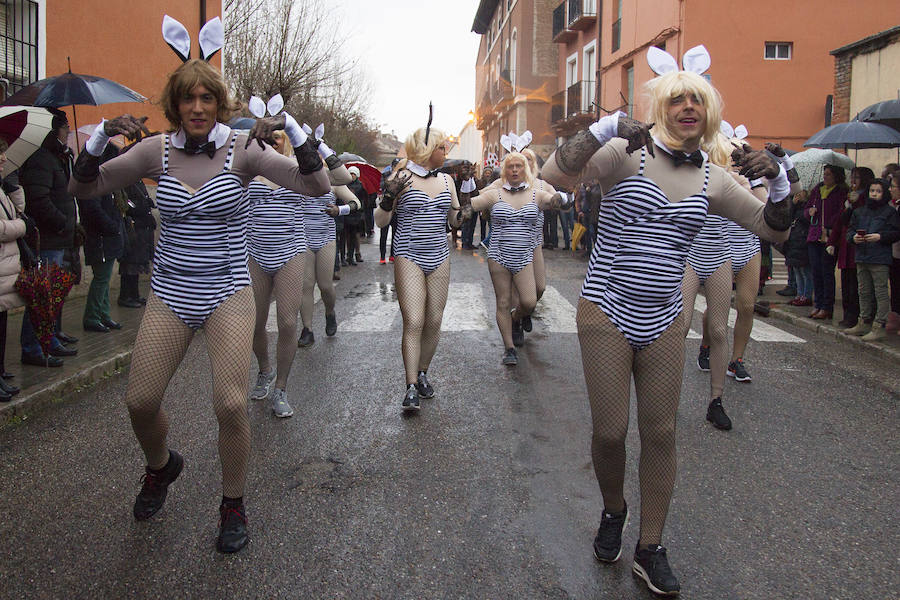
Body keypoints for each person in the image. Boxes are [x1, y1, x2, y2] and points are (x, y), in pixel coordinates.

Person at [68, 21, 331, 553]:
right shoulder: (155, 152)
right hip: (170, 292)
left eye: (207, 97)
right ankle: (161, 467)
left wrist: (293, 130)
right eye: (187, 97)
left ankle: (232, 503)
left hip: (227, 290)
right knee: (140, 402)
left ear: (219, 102)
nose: (197, 106)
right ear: (175, 103)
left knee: (232, 405)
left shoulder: (243, 150)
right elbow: (83, 184)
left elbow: (316, 183)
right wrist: (99, 138)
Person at [541, 45, 792, 596]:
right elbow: (555, 176)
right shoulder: (625, 153)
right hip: (606, 309)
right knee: (611, 432)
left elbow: (773, 231)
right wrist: (604, 128)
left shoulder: (714, 179)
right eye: (676, 98)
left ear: (709, 114)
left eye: (696, 100)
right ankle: (614, 509)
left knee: (661, 432)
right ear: (660, 107)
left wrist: (779, 184)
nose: (686, 107)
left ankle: (650, 546)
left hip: (667, 318)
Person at [374, 123, 463, 412]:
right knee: (414, 320)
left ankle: (423, 372)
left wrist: (467, 211)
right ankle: (410, 385)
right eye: (440, 147)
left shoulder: (447, 182)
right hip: (409, 255)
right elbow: (380, 222)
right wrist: (388, 197)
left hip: (440, 256)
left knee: (434, 320)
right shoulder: (400, 177)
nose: (445, 151)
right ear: (426, 151)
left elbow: (454, 221)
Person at [469, 152, 569, 365]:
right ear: (505, 170)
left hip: (529, 250)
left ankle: (517, 317)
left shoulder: (538, 190)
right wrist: (464, 192)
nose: (515, 170)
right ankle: (509, 348)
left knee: (530, 299)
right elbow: (471, 203)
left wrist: (563, 198)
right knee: (503, 301)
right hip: (498, 254)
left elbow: (556, 200)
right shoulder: (496, 190)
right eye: (511, 166)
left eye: (520, 165)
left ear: (528, 168)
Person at [19, 109, 79, 367]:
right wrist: (63, 222)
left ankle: (50, 338)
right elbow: (39, 200)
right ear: (55, 130)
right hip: (48, 239)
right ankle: (34, 347)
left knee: (52, 295)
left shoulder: (57, 158)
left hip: (60, 237)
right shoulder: (41, 159)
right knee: (41, 296)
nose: (68, 133)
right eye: (65, 128)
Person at [297, 158, 358, 346]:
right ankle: (307, 329)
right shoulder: (296, 178)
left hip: (326, 238)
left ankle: (330, 312)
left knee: (325, 285)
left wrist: (340, 209)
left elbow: (355, 203)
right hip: (303, 237)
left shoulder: (331, 181)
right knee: (306, 285)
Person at [78, 143, 126, 333]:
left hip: (109, 237)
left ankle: (103, 314)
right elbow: (92, 209)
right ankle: (92, 316)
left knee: (105, 279)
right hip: (100, 238)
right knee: (101, 279)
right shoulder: (94, 181)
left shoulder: (107, 181)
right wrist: (111, 226)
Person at [844, 178, 900, 340]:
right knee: (863, 291)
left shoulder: (890, 212)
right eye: (872, 191)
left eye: (878, 191)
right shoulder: (860, 211)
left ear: (884, 193)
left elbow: (895, 232)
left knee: (880, 292)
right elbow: (850, 230)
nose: (874, 194)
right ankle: (864, 321)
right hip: (862, 255)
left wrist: (880, 237)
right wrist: (854, 238)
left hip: (880, 257)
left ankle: (879, 325)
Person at [827, 167, 874, 327]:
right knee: (846, 283)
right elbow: (840, 222)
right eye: (852, 177)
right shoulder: (848, 198)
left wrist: (856, 203)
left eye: (857, 178)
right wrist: (832, 242)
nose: (853, 181)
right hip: (845, 245)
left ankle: (857, 316)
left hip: (858, 246)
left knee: (856, 286)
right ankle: (847, 314)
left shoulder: (867, 198)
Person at [804, 165, 848, 320]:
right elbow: (807, 208)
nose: (825, 177)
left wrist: (829, 225)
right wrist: (810, 213)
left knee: (826, 272)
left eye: (829, 175)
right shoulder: (818, 190)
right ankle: (818, 303)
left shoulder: (841, 192)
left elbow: (841, 214)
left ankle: (827, 306)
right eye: (824, 174)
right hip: (814, 235)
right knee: (816, 271)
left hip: (829, 236)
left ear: (836, 176)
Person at [0, 140, 26, 400]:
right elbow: (6, 226)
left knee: (3, 321)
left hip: (5, 267)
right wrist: (20, 227)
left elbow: (19, 211)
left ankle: (1, 371)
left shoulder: (2, 187)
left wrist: (14, 187)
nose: (4, 159)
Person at [118, 171, 157, 308]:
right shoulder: (126, 181)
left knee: (138, 264)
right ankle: (125, 296)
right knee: (130, 264)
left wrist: (147, 203)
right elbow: (127, 202)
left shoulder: (138, 180)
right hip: (133, 228)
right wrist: (138, 207)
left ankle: (134, 294)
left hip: (142, 227)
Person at [785, 191, 813, 307]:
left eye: (801, 194)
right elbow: (787, 217)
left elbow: (806, 218)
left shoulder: (808, 207)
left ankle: (806, 296)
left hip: (803, 242)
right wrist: (793, 205)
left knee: (805, 272)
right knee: (797, 271)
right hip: (794, 242)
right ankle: (799, 294)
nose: (798, 195)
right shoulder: (794, 208)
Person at [889, 176, 900, 333]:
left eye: (893, 186)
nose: (890, 189)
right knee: (896, 287)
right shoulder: (893, 206)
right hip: (895, 253)